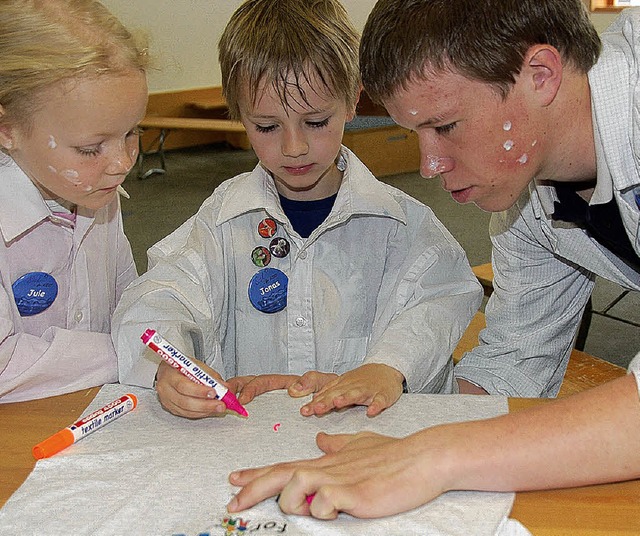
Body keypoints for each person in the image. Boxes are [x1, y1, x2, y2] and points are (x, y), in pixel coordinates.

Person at [225, 0, 640, 520]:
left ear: (540, 75)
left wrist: (433, 456)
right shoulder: (529, 208)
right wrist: (373, 396)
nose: (428, 165)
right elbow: (513, 368)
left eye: (444, 126)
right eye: (416, 133)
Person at [112, 0, 482, 420]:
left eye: (316, 121)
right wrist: (169, 364)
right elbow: (160, 294)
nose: (294, 147)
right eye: (267, 127)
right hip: (245, 442)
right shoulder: (221, 220)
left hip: (363, 447)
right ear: (240, 116)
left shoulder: (401, 226)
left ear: (351, 101)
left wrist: (390, 366)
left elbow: (443, 298)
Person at [0, 0, 148, 403]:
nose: (121, 165)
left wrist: (156, 333)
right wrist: (131, 353)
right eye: (89, 148)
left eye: (133, 132)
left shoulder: (97, 191)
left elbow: (126, 300)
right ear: (7, 128)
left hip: (83, 413)